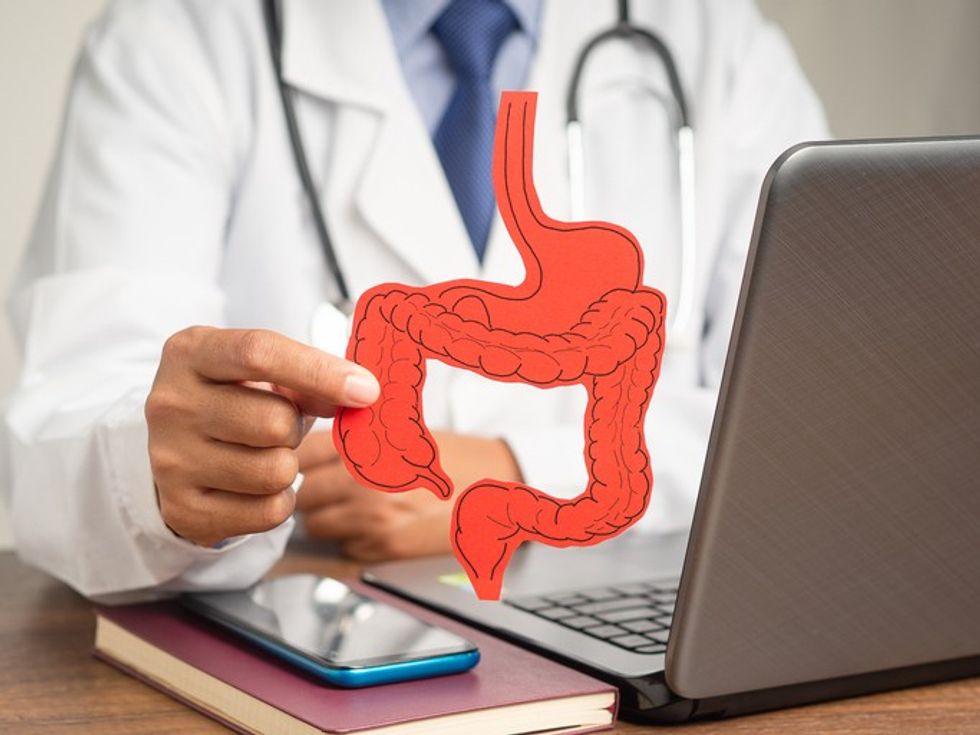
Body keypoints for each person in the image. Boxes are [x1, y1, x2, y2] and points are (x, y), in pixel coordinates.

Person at [1, 0, 827, 600]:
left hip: (625, 625)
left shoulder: (722, 48)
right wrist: (158, 475)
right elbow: (61, 430)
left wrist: (520, 474)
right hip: (310, 634)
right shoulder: (176, 39)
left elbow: (821, 414)